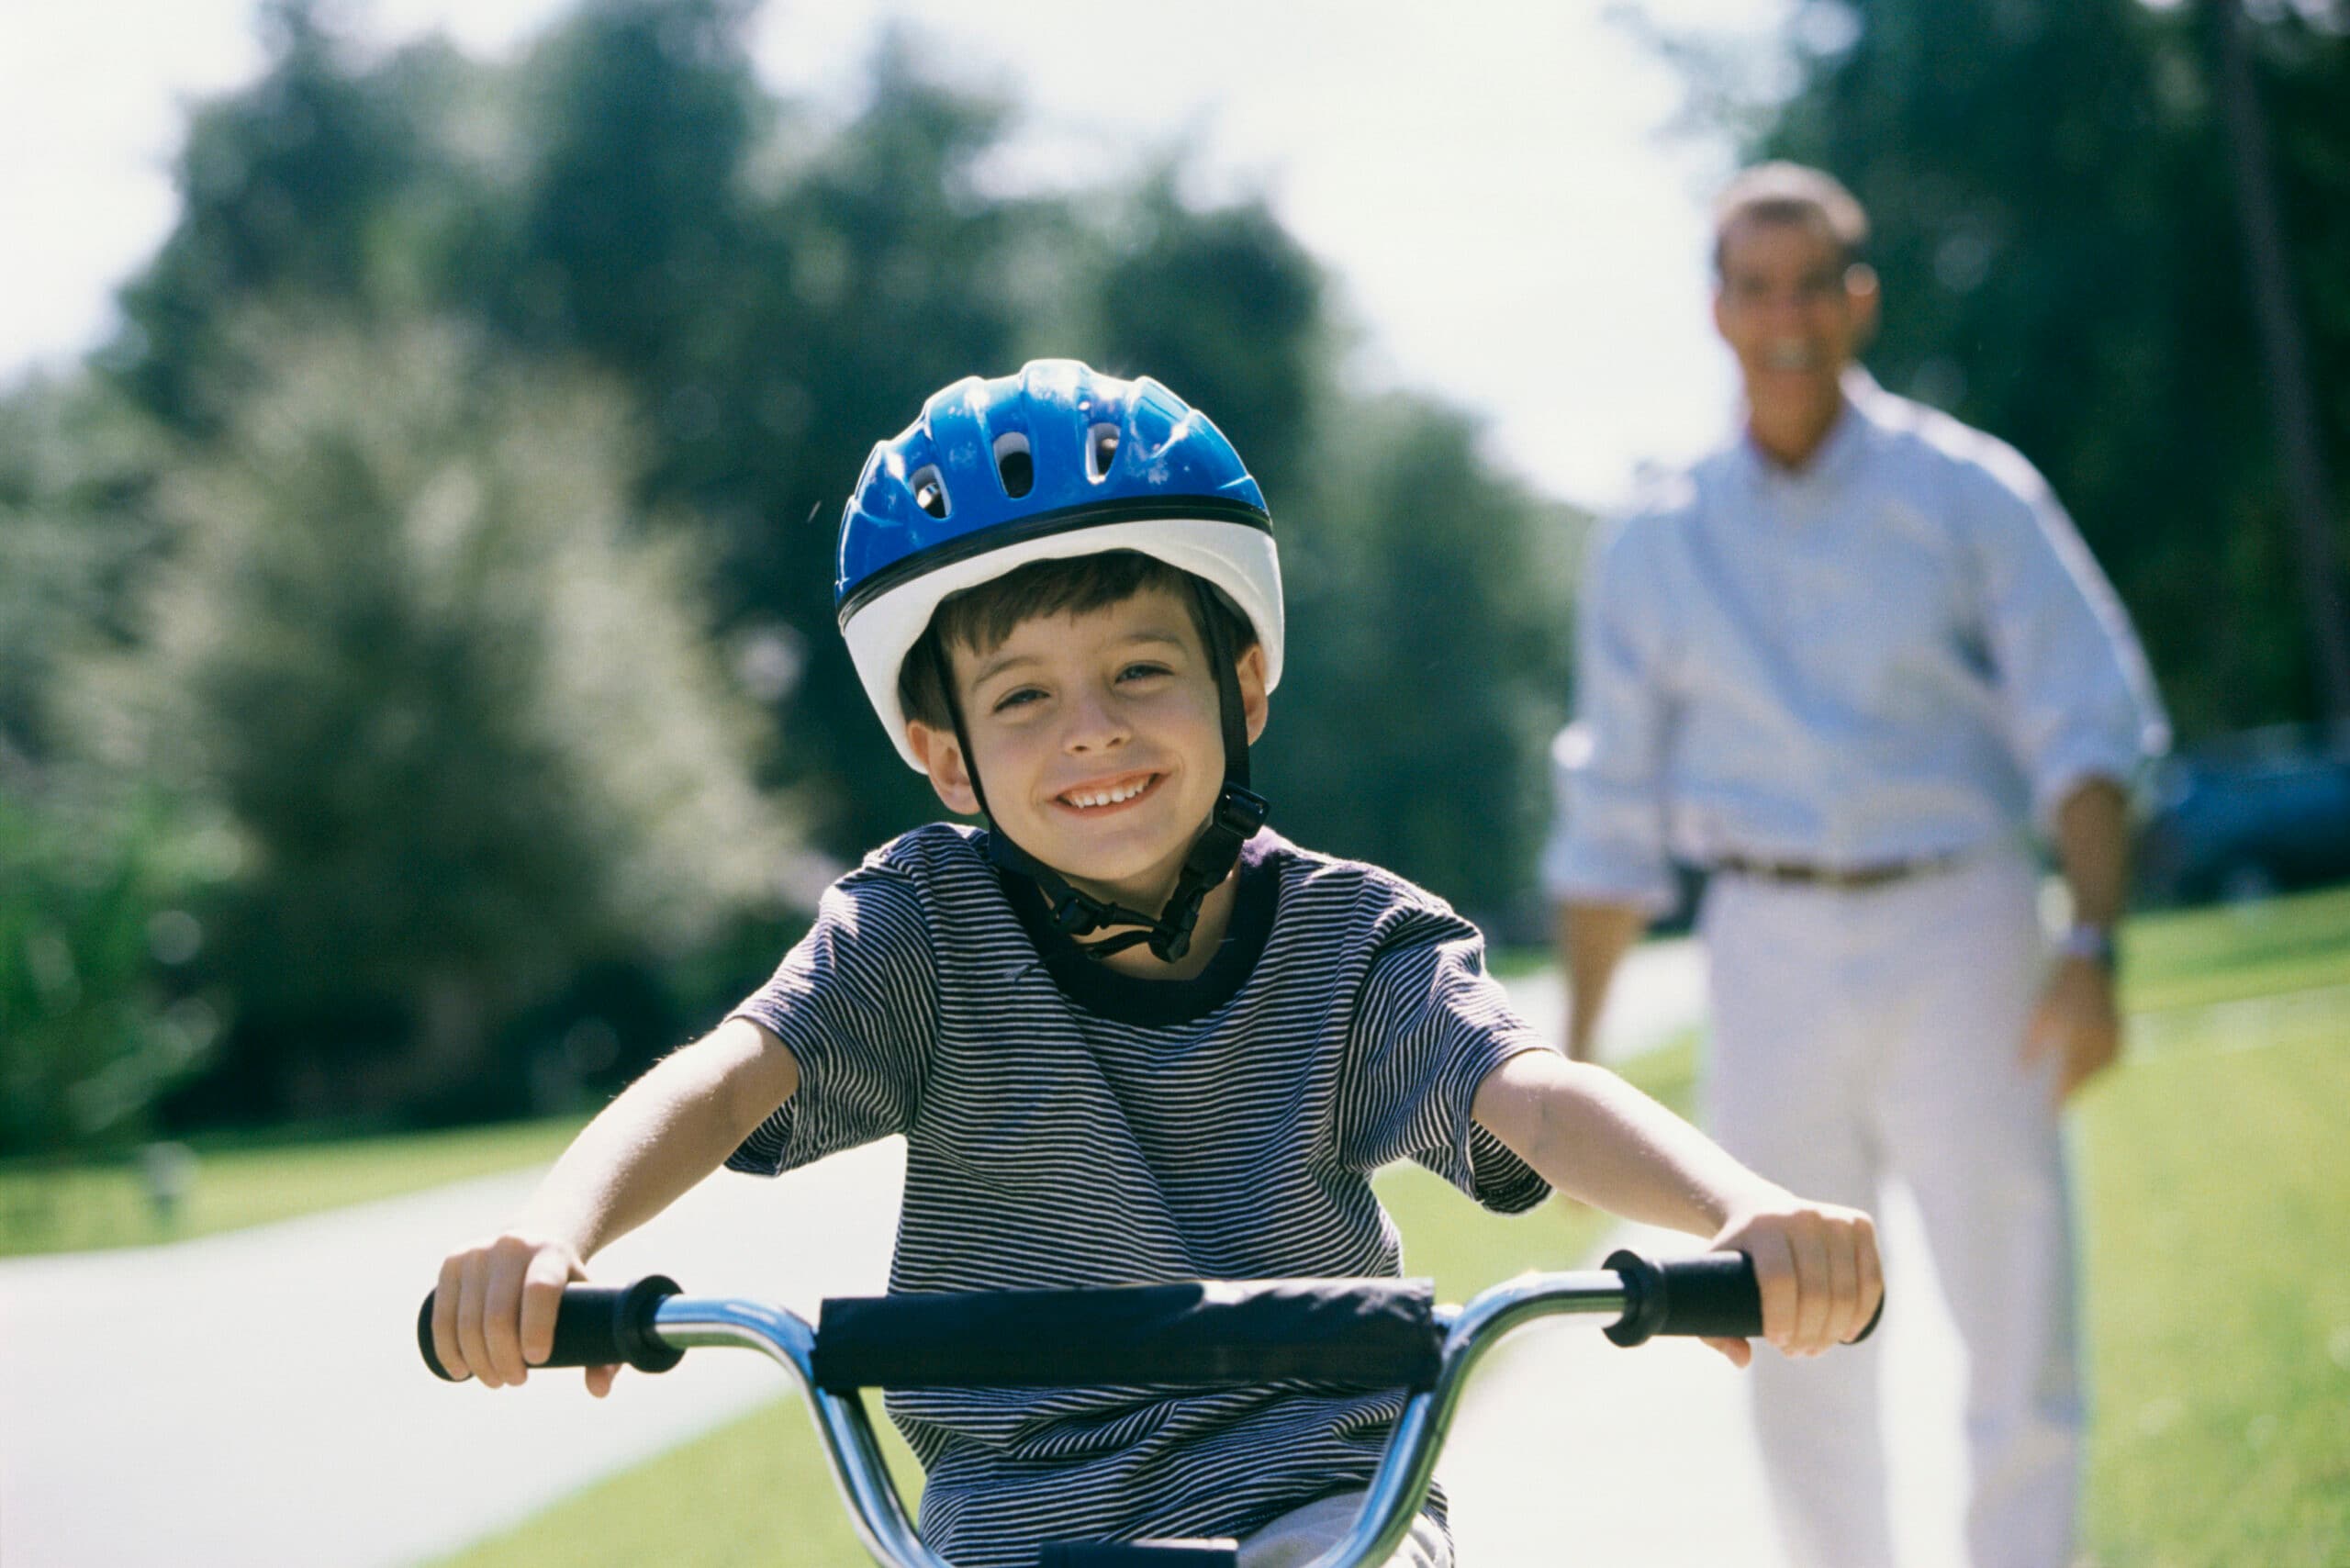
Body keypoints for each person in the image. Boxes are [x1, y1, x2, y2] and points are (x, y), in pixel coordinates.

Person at [432, 360, 1884, 1568]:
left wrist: (1735, 1207)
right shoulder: (920, 930)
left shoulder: (1355, 944)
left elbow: (1536, 1097)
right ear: (945, 756)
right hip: (1007, 1529)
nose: (1093, 732)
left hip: (1318, 1501)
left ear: (1241, 686)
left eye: (1141, 670)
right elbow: (731, 1074)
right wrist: (559, 1238)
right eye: (1023, 698)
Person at [1544, 164, 2168, 1568]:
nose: (1787, 317)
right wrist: (1576, 1063)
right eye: (1757, 287)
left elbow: (2087, 722)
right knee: (1785, 1307)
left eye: (1813, 284)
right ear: (1718, 311)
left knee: (2014, 1314)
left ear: (1858, 300)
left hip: (1965, 920)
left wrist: (2095, 946)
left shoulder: (1967, 492)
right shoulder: (1655, 542)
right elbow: (1610, 812)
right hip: (1760, 940)